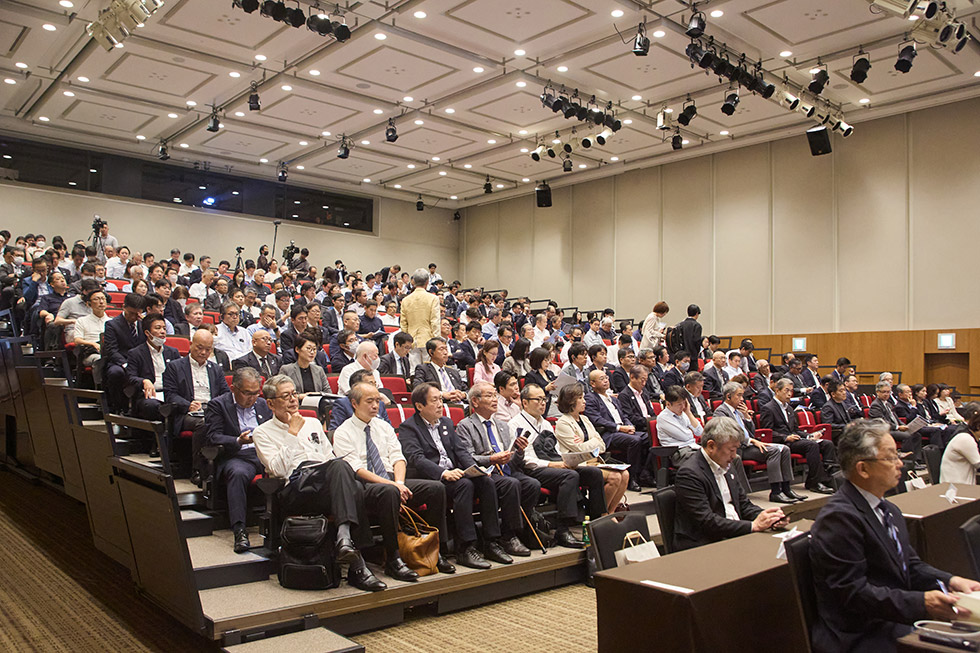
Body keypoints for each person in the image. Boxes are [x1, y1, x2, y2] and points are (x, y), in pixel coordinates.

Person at [809, 419, 980, 653]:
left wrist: (951, 581)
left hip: (892, 620)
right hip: (859, 635)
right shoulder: (839, 518)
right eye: (890, 457)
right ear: (863, 469)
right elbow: (853, 594)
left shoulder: (888, 509)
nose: (900, 463)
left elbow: (910, 564)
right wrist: (922, 603)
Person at [251, 375, 385, 592]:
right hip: (295, 489)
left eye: (294, 394)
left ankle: (348, 547)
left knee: (346, 475)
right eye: (286, 396)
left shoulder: (312, 422)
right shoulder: (262, 432)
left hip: (324, 483)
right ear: (270, 403)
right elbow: (277, 469)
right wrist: (292, 432)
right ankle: (356, 562)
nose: (293, 400)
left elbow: (328, 456)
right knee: (348, 479)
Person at [333, 382, 456, 580]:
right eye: (369, 401)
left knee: (436, 488)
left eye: (377, 401)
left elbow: (398, 458)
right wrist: (392, 486)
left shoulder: (383, 427)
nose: (375, 405)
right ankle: (393, 558)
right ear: (354, 404)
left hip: (393, 480)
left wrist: (399, 482)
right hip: (366, 485)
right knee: (389, 493)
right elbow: (357, 469)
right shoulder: (343, 432)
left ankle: (435, 550)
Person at [398, 383, 516, 570]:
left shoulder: (445, 422)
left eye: (440, 399)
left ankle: (491, 541)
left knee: (485, 481)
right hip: (431, 479)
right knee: (465, 486)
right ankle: (465, 547)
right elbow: (417, 459)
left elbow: (461, 452)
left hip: (456, 474)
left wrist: (473, 469)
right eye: (434, 400)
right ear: (419, 406)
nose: (439, 404)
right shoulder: (409, 428)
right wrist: (443, 473)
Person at [673, 416, 788, 551]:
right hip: (704, 543)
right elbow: (706, 521)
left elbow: (743, 505)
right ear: (711, 446)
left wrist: (767, 517)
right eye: (732, 450)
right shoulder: (689, 474)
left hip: (732, 534)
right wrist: (752, 526)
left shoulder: (727, 464)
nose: (735, 456)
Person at [508, 383, 600, 545]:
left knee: (594, 473)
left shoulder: (544, 423)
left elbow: (556, 450)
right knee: (569, 476)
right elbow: (524, 459)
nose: (543, 403)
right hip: (531, 470)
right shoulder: (515, 424)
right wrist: (552, 465)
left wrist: (569, 460)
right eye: (538, 399)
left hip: (554, 465)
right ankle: (563, 530)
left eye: (544, 399)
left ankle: (598, 520)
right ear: (525, 402)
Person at [456, 382, 538, 555]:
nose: (495, 400)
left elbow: (514, 461)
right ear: (475, 402)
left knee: (532, 484)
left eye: (495, 395)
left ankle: (522, 530)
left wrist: (520, 451)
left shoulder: (502, 425)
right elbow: (468, 457)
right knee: (511, 484)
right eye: (489, 396)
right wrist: (491, 459)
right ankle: (508, 536)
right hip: (486, 473)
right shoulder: (466, 425)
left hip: (506, 470)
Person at [203, 367, 271, 552]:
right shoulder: (218, 405)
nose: (252, 398)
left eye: (256, 393)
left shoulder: (263, 404)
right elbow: (212, 437)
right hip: (237, 455)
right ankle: (240, 530)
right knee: (238, 473)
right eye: (247, 393)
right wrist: (237, 441)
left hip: (263, 455)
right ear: (234, 389)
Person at [714, 382, 803, 504]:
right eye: (739, 396)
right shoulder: (721, 412)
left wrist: (746, 417)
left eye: (742, 396)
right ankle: (776, 492)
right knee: (774, 451)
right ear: (728, 396)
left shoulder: (739, 411)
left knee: (785, 449)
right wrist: (751, 441)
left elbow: (752, 431)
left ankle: (787, 488)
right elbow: (729, 434)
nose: (742, 399)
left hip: (750, 444)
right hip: (739, 448)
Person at [163, 329, 229, 482]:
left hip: (211, 410)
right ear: (191, 345)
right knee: (204, 424)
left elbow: (225, 393)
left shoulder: (215, 368)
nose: (203, 352)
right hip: (188, 413)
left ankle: (221, 469)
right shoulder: (175, 366)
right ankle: (199, 470)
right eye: (200, 348)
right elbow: (170, 394)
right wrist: (188, 405)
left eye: (208, 349)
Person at [554, 384, 630, 513]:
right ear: (571, 401)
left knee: (625, 474)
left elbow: (602, 444)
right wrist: (593, 441)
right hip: (578, 465)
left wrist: (590, 442)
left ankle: (610, 512)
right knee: (615, 477)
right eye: (581, 398)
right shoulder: (563, 422)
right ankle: (601, 514)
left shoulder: (585, 419)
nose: (584, 401)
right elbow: (579, 449)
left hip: (594, 461)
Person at [759, 378, 837, 495]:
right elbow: (769, 432)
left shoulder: (789, 409)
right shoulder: (768, 408)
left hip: (795, 440)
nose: (790, 394)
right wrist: (785, 437)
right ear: (777, 391)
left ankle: (826, 479)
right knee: (811, 446)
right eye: (786, 390)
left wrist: (810, 435)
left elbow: (795, 430)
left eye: (791, 391)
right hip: (783, 442)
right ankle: (815, 482)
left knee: (827, 444)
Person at [583, 371, 646, 491]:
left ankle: (645, 474)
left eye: (606, 377)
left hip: (623, 430)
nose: (606, 380)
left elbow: (624, 416)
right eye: (602, 379)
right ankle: (632, 478)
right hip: (608, 434)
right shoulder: (590, 398)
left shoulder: (613, 399)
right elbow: (597, 420)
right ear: (593, 383)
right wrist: (619, 428)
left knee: (649, 438)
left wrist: (629, 425)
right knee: (635, 440)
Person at [126, 314, 182, 422]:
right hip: (150, 395)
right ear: (147, 333)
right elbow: (130, 377)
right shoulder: (136, 353)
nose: (163, 332)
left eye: (164, 328)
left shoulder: (173, 352)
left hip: (170, 393)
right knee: (151, 406)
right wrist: (144, 381)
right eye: (158, 328)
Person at [868, 381, 921, 462]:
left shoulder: (888, 404)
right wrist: (898, 427)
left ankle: (916, 460)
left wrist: (905, 426)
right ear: (877, 392)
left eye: (888, 392)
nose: (886, 394)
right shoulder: (875, 405)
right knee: (907, 436)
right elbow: (881, 422)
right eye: (884, 392)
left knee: (916, 434)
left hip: (894, 428)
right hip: (884, 430)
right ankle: (906, 460)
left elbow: (896, 418)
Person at [400, 269, 440, 372]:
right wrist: (437, 341)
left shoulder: (405, 300)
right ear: (427, 282)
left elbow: (403, 323)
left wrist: (406, 342)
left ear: (413, 282)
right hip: (429, 339)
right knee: (430, 371)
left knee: (414, 371)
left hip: (412, 340)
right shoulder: (433, 298)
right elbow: (435, 322)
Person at [657, 385, 705, 464]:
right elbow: (686, 437)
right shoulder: (663, 418)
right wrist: (690, 431)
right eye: (679, 404)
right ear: (668, 404)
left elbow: (700, 432)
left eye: (684, 403)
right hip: (678, 453)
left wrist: (689, 413)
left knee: (716, 453)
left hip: (692, 448)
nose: (683, 407)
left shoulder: (684, 413)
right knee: (705, 459)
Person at [72, 288, 111, 384]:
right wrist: (93, 344)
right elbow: (77, 340)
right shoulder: (82, 321)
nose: (101, 302)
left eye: (103, 299)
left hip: (108, 351)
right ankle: (100, 389)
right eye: (96, 299)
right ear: (88, 304)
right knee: (99, 359)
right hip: (90, 352)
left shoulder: (111, 321)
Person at [413, 337, 467, 403]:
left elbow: (466, 389)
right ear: (431, 352)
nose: (445, 352)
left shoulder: (453, 371)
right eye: (441, 349)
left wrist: (463, 395)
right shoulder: (423, 369)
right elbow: (418, 388)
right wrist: (442, 394)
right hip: (441, 404)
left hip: (461, 404)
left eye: (446, 349)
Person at [939, 409, 980, 484]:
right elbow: (979, 465)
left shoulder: (970, 437)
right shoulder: (965, 439)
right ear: (978, 426)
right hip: (955, 488)